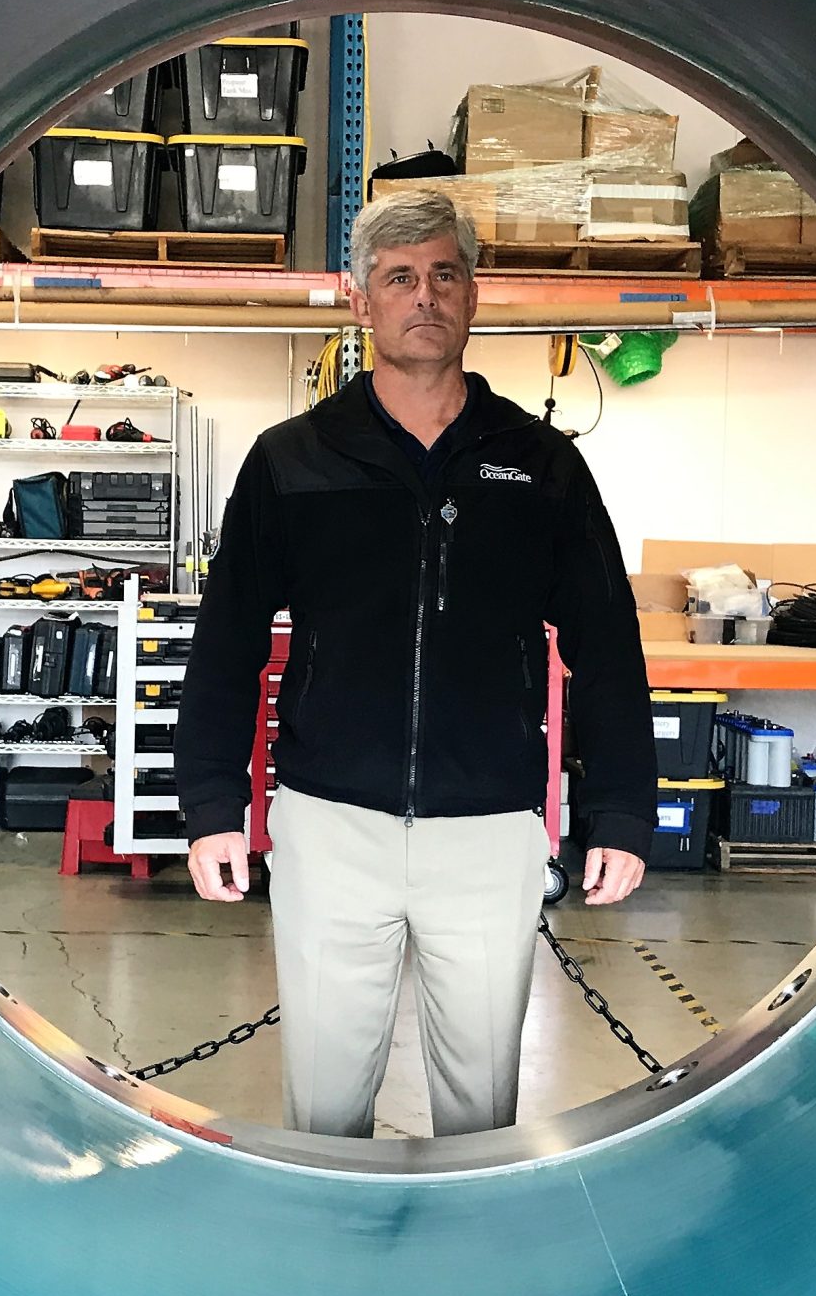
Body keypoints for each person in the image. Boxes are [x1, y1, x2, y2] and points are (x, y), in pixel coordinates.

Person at [176, 188, 656, 1138]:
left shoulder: (541, 466)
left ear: (474, 294)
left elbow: (607, 642)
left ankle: (469, 1240)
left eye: (444, 274)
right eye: (399, 278)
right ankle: (332, 1238)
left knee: (483, 1119)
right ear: (362, 301)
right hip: (330, 827)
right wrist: (211, 804)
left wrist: (622, 810)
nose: (424, 296)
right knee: (323, 1113)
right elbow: (228, 638)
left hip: (487, 832)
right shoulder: (292, 460)